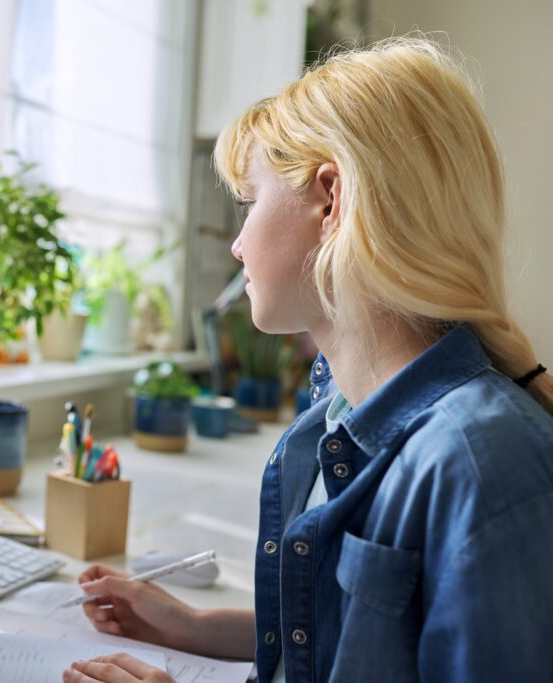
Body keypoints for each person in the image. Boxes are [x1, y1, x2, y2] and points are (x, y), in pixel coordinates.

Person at [63, 37, 553, 683]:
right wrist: (199, 627)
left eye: (250, 201)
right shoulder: (337, 418)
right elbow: (366, 637)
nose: (238, 244)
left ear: (331, 199)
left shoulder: (482, 463)